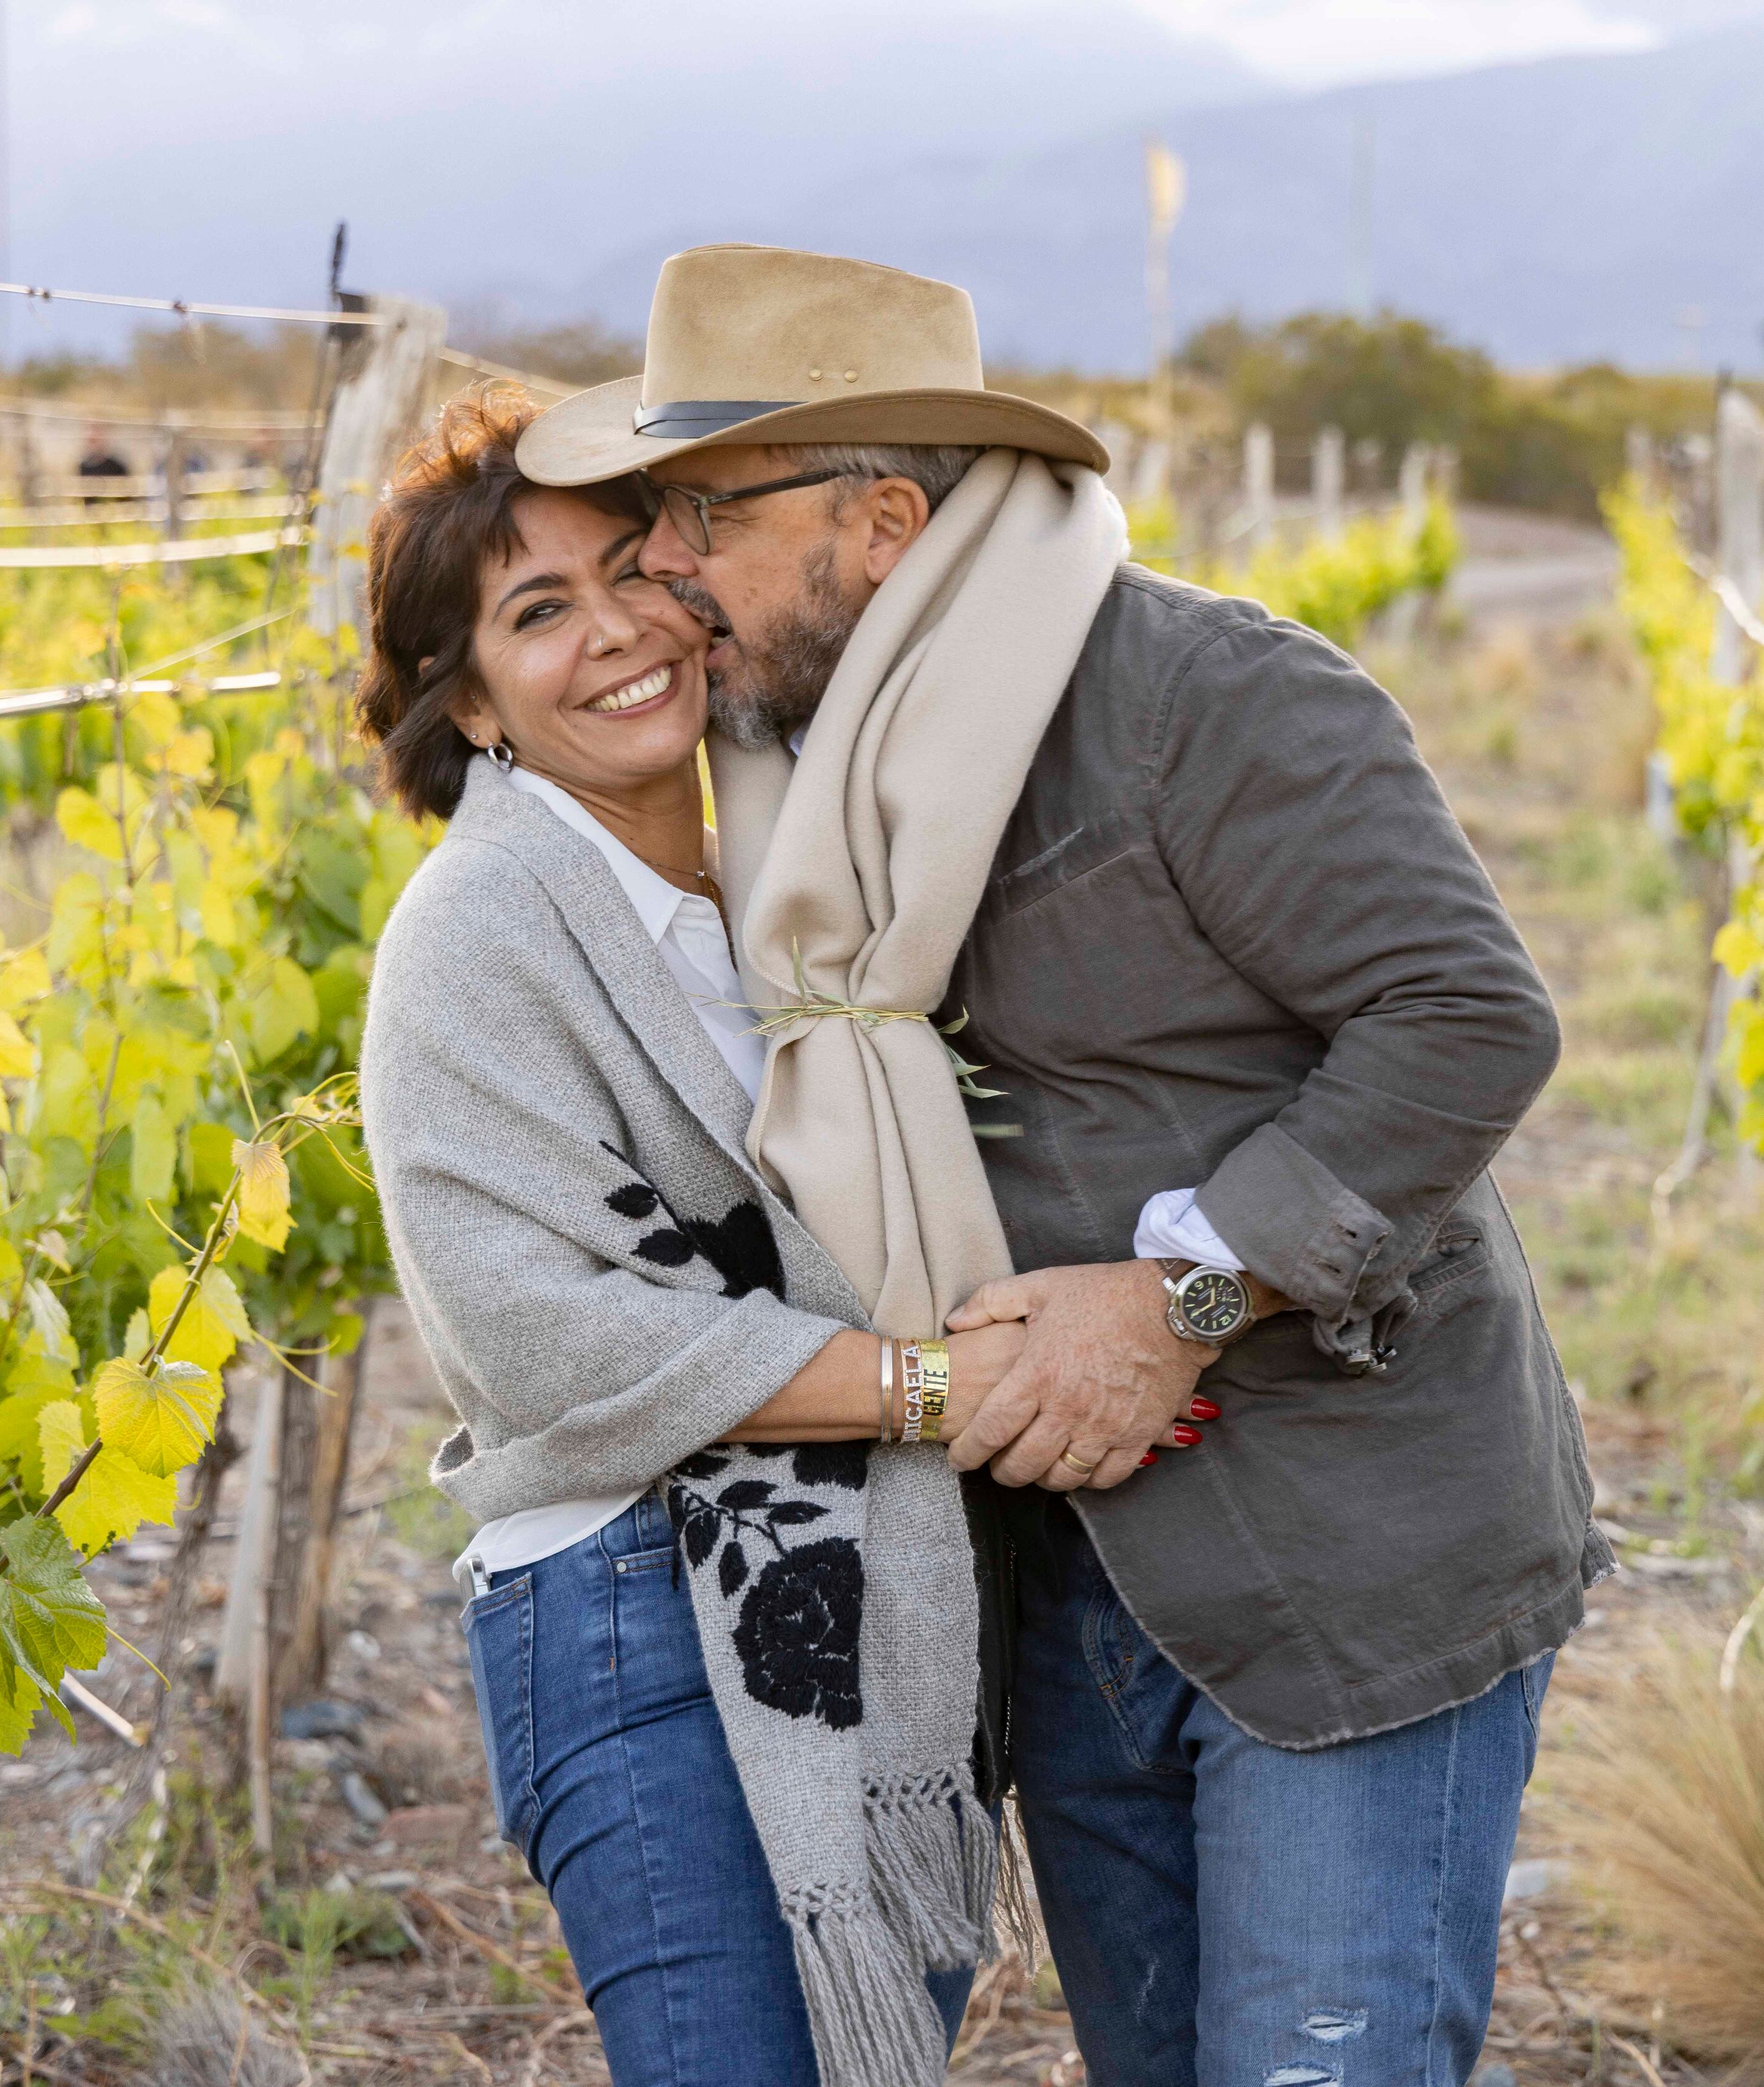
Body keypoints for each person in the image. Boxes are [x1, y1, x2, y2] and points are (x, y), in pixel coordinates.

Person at [517, 245, 1609, 2087]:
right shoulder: (791, 770)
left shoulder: (1207, 695)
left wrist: (1189, 1296)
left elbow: (1467, 1019)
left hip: (1343, 1564)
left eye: (703, 508)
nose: (668, 564)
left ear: (876, 521)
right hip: (1054, 1577)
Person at [353, 390, 1208, 2087]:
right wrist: (941, 1392)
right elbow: (546, 1342)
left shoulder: (810, 877)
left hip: (882, 1589)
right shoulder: (477, 932)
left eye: (632, 569)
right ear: (468, 704)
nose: (616, 634)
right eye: (538, 615)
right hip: (631, 1603)